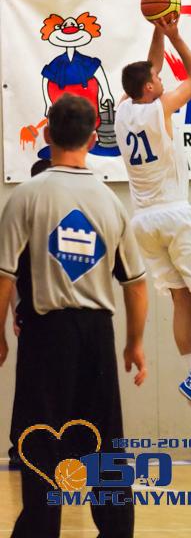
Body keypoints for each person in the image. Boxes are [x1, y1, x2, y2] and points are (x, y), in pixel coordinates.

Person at [0, 93, 148, 538]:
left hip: (46, 335)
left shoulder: (26, 196)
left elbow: (4, 277)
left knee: (40, 443)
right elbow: (136, 284)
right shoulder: (110, 202)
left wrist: (0, 335)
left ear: (47, 134)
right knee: (105, 445)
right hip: (97, 334)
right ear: (92, 139)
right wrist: (134, 343)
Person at [115, 16, 191, 419]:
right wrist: (176, 35)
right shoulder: (160, 107)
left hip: (143, 220)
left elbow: (151, 66)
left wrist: (157, 29)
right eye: (157, 79)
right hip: (174, 212)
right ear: (149, 89)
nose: (161, 80)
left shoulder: (123, 110)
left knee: (181, 296)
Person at [7, 159, 52, 471]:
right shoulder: (23, 221)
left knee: (37, 385)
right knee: (30, 386)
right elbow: (8, 275)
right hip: (35, 315)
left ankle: (57, 446)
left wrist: (15, 313)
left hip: (52, 315)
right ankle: (21, 448)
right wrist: (16, 314)